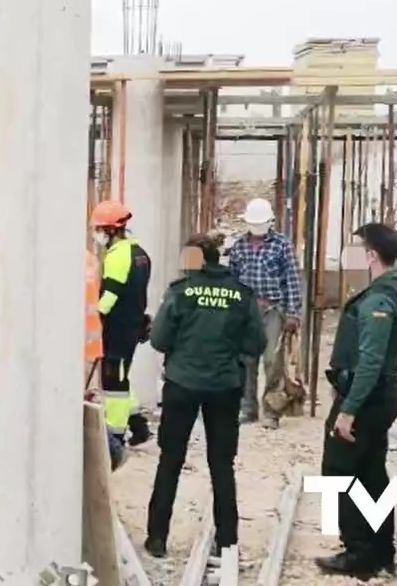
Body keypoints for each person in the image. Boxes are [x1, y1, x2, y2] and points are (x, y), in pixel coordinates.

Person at [143, 233, 266, 559]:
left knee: (170, 460)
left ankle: (157, 538)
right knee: (221, 464)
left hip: (181, 384)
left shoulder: (180, 293)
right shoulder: (241, 296)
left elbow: (158, 339)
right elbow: (257, 344)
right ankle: (227, 539)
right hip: (224, 387)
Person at [315, 223, 397, 580]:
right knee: (371, 473)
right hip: (376, 396)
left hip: (367, 399)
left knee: (340, 472)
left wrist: (348, 411)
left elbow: (370, 362)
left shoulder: (379, 300)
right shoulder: (387, 292)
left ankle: (358, 554)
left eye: (356, 248)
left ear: (370, 255)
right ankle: (381, 550)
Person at [227, 197, 304, 429]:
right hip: (247, 310)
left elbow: (292, 279)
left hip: (273, 309)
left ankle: (272, 409)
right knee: (246, 359)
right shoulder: (239, 247)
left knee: (272, 360)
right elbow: (232, 280)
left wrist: (293, 314)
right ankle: (248, 408)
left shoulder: (282, 245)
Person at [91, 200, 153, 448]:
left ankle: (115, 437)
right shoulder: (140, 253)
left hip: (117, 328)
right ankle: (139, 426)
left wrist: (90, 318)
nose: (96, 235)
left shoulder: (118, 256)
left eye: (99, 230)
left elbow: (110, 296)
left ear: (111, 230)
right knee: (122, 376)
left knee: (113, 383)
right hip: (132, 324)